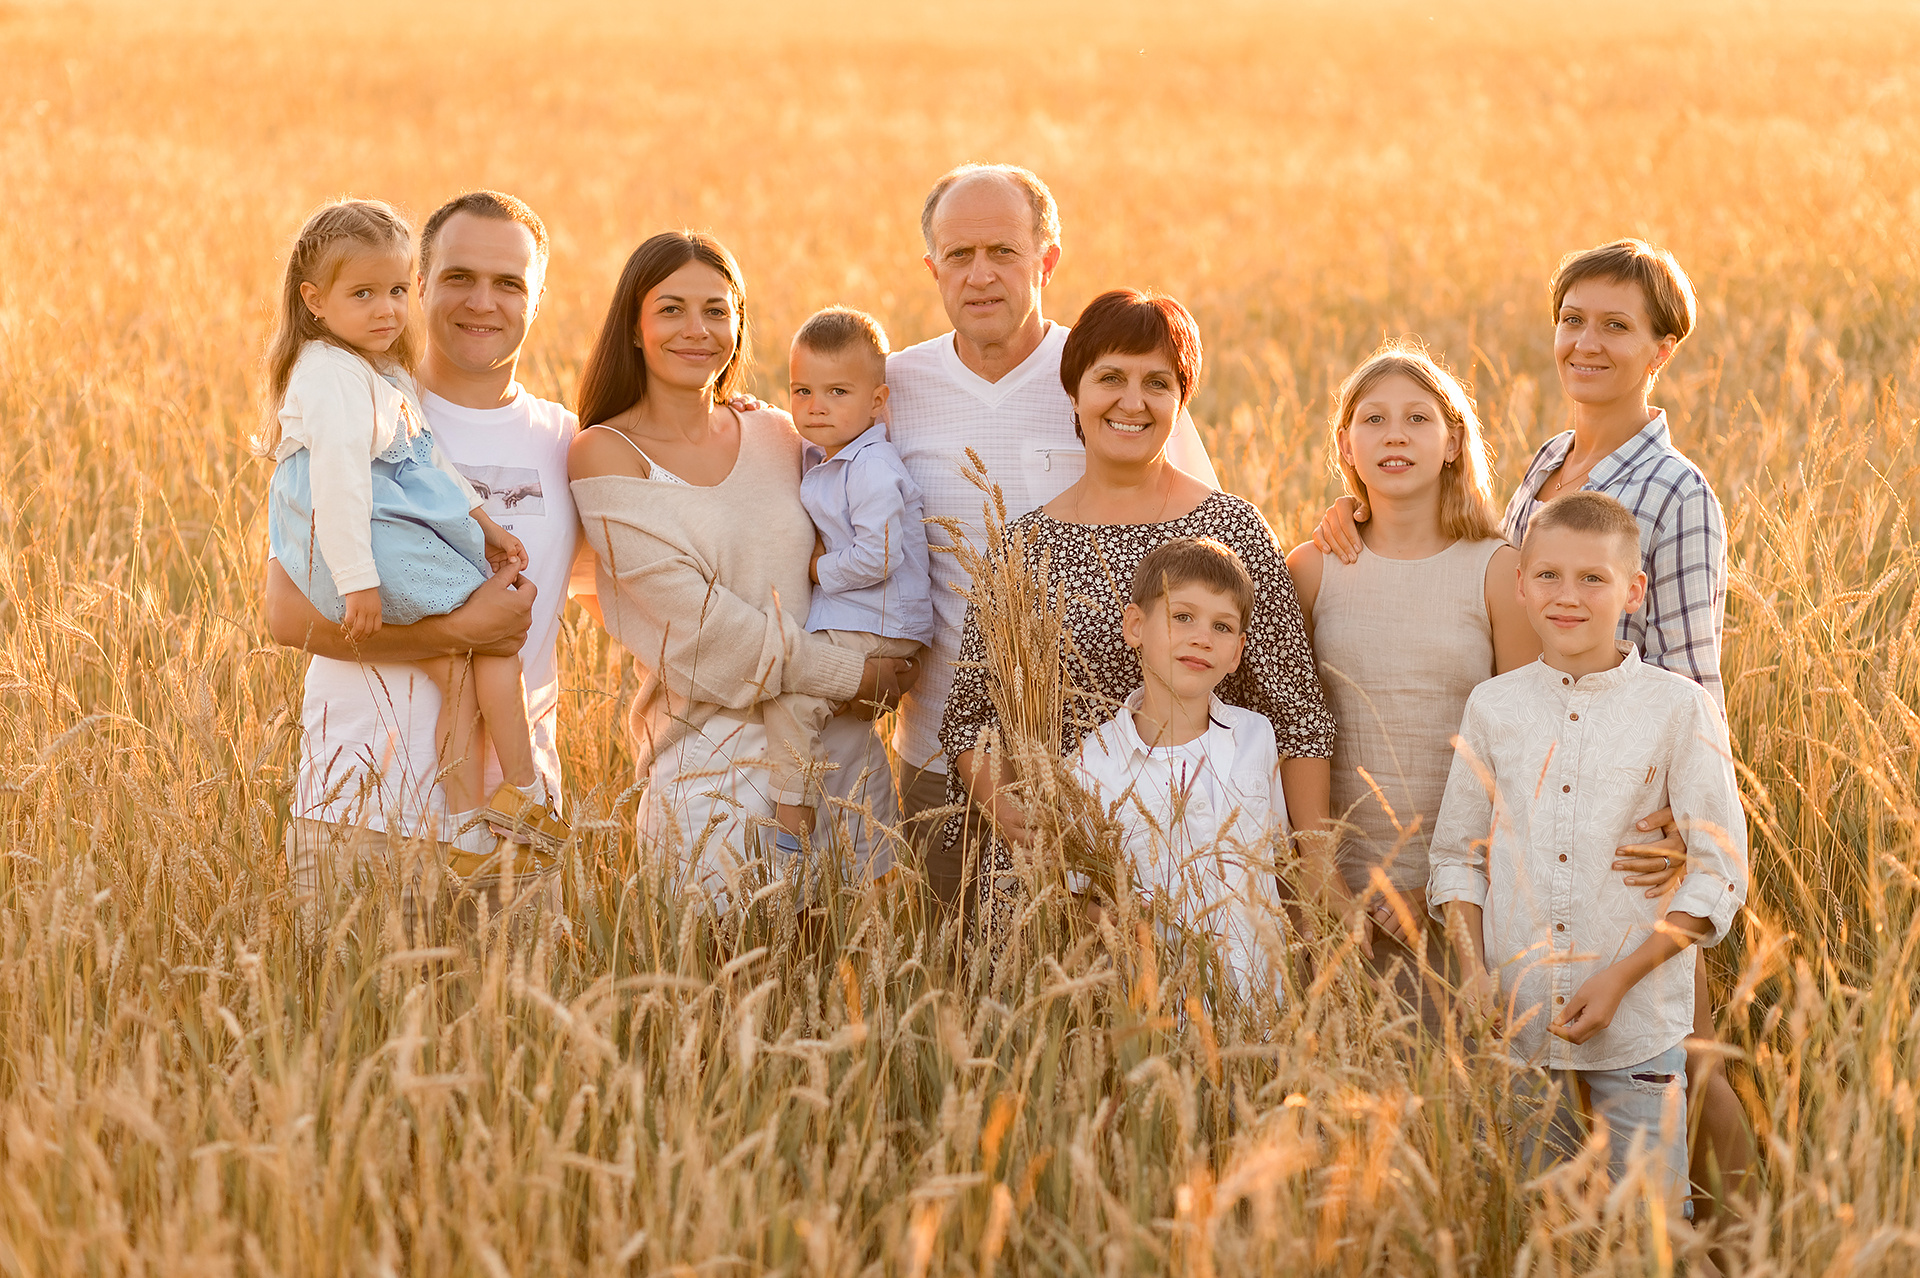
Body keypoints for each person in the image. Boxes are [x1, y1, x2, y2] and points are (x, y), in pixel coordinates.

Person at [1311, 239, 1750, 1209]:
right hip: (1541, 810)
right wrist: (1350, 518)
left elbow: (1693, 672)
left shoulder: (1677, 492)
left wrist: (1683, 824)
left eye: (1616, 326)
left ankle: (1755, 1235)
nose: (1587, 343)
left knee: (1679, 1049)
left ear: (1661, 349)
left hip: (1632, 824)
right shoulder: (1552, 462)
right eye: (1574, 320)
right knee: (1560, 1062)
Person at [940, 288, 1334, 942]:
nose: (1132, 401)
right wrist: (1013, 814)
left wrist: (1316, 864)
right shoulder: (1023, 545)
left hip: (1208, 864)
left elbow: (1295, 708)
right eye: (1111, 378)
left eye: (1157, 382)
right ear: (1074, 391)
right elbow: (969, 715)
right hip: (1056, 874)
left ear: (1182, 401)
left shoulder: (1228, 527)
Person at [886, 163, 1221, 908]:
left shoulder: (1112, 379)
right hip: (942, 758)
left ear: (1047, 259)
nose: (980, 276)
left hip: (1122, 762)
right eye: (959, 255)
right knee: (961, 993)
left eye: (1003, 252)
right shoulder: (891, 390)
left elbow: (1209, 549)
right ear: (932, 266)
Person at [567, 232, 915, 906]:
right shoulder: (607, 455)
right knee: (726, 1000)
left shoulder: (781, 433)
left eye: (717, 311)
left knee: (851, 997)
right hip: (714, 774)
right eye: (670, 310)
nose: (697, 330)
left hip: (839, 756)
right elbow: (707, 641)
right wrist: (859, 675)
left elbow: (878, 515)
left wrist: (900, 657)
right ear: (633, 329)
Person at [1427, 491, 1748, 1215]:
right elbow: (1456, 858)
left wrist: (1623, 977)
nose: (1566, 596)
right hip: (1518, 1024)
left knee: (1647, 1226)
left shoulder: (1677, 707)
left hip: (1638, 1029)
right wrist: (1475, 977)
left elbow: (1720, 868)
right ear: (1521, 585)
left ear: (1633, 591)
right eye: (1547, 576)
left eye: (1592, 579)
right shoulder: (1494, 707)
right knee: (1537, 1222)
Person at [262, 194, 574, 908]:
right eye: (458, 277)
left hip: (514, 834)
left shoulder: (566, 441)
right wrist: (458, 634)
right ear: (424, 283)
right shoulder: (354, 404)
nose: (483, 302)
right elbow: (284, 614)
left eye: (510, 283)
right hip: (357, 809)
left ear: (539, 295)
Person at [1284, 342, 1537, 1019]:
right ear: (1345, 444)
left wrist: (1456, 886)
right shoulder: (1312, 569)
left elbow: (1519, 745)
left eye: (1419, 419)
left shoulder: (1497, 571)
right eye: (1373, 419)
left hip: (1463, 895)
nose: (1395, 433)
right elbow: (1289, 731)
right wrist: (1328, 888)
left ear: (1454, 441)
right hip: (1341, 890)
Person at [1072, 538, 1289, 1000]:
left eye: (1223, 627)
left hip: (1265, 1010)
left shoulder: (1256, 739)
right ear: (1136, 626)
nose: (1202, 637)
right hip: (1161, 1017)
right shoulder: (1095, 764)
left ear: (1236, 654)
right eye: (1182, 616)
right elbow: (1079, 896)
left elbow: (1277, 861)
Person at [767, 308, 933, 863]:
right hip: (864, 620)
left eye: (838, 391)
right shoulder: (826, 454)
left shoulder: (869, 467)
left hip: (877, 623)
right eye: (802, 390)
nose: (816, 406)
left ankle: (791, 819)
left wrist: (817, 571)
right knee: (847, 739)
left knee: (793, 696)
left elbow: (880, 555)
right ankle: (877, 849)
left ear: (877, 402)